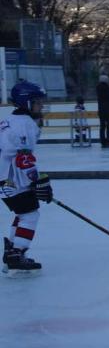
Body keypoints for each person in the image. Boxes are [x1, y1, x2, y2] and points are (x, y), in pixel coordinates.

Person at [1, 81, 52, 277]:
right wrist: (36, 181)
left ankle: (12, 251)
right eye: (38, 102)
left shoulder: (11, 120)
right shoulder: (25, 124)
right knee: (30, 215)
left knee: (24, 214)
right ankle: (16, 253)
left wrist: (36, 180)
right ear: (26, 103)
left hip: (6, 177)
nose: (41, 106)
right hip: (9, 179)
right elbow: (23, 157)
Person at [96, 74, 109, 148]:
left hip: (101, 110)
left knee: (102, 127)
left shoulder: (98, 88)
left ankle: (103, 142)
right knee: (108, 127)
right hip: (108, 110)